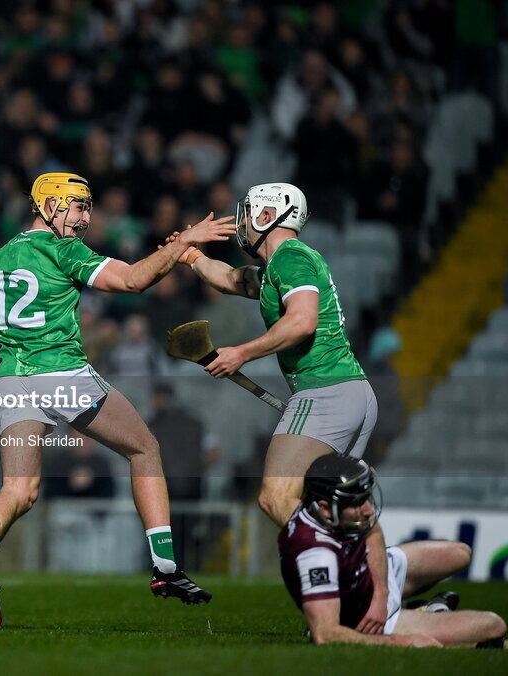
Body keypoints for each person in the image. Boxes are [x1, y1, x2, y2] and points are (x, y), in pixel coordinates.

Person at [0, 171, 235, 627]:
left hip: (10, 382)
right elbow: (135, 281)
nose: (84, 218)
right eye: (78, 207)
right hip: (62, 375)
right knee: (145, 449)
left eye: (86, 208)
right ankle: (165, 568)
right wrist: (183, 245)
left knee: (18, 490)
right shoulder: (65, 250)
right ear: (51, 206)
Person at [178, 182, 392, 634]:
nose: (241, 220)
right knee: (336, 504)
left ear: (269, 214)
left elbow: (302, 321)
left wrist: (241, 354)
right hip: (350, 392)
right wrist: (191, 255)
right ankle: (376, 592)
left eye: (249, 210)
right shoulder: (280, 266)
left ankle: (350, 575)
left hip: (325, 392)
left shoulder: (292, 259)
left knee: (276, 497)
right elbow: (231, 279)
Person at [280, 454, 507, 647]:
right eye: (358, 502)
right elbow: (326, 634)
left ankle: (423, 610)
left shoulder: (326, 509)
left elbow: (373, 531)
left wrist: (381, 595)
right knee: (493, 626)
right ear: (326, 509)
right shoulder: (315, 554)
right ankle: (422, 614)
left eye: (366, 497)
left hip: (374, 579)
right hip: (364, 618)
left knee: (461, 553)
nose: (369, 510)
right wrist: (403, 641)